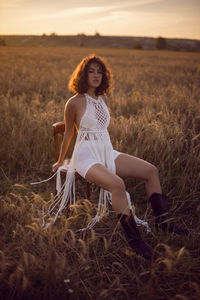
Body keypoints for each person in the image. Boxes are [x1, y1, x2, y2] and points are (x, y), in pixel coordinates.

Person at [52, 54, 187, 260]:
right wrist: (61, 160)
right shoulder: (74, 102)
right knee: (117, 185)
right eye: (91, 71)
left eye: (100, 71)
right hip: (86, 155)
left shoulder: (103, 98)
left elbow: (100, 126)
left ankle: (164, 222)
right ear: (83, 74)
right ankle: (136, 243)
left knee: (151, 171)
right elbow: (70, 133)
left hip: (106, 150)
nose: (96, 75)